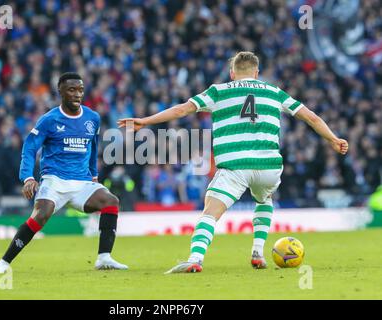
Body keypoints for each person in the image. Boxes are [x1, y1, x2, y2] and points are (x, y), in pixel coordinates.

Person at [118, 52, 349, 273]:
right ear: (257, 73)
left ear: (232, 73)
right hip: (269, 166)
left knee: (210, 212)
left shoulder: (219, 91)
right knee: (265, 198)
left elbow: (181, 110)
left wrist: (145, 121)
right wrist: (333, 139)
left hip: (235, 165)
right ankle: (257, 252)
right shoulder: (275, 92)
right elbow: (311, 117)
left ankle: (196, 259)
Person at [0, 72, 128, 274]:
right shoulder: (49, 120)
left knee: (111, 201)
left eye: (80, 90)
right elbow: (29, 148)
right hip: (54, 180)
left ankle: (104, 257)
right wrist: (27, 177)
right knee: (41, 215)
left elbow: (93, 148)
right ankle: (4, 262)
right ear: (60, 91)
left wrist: (94, 175)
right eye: (72, 90)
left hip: (82, 183)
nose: (77, 94)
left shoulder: (92, 118)